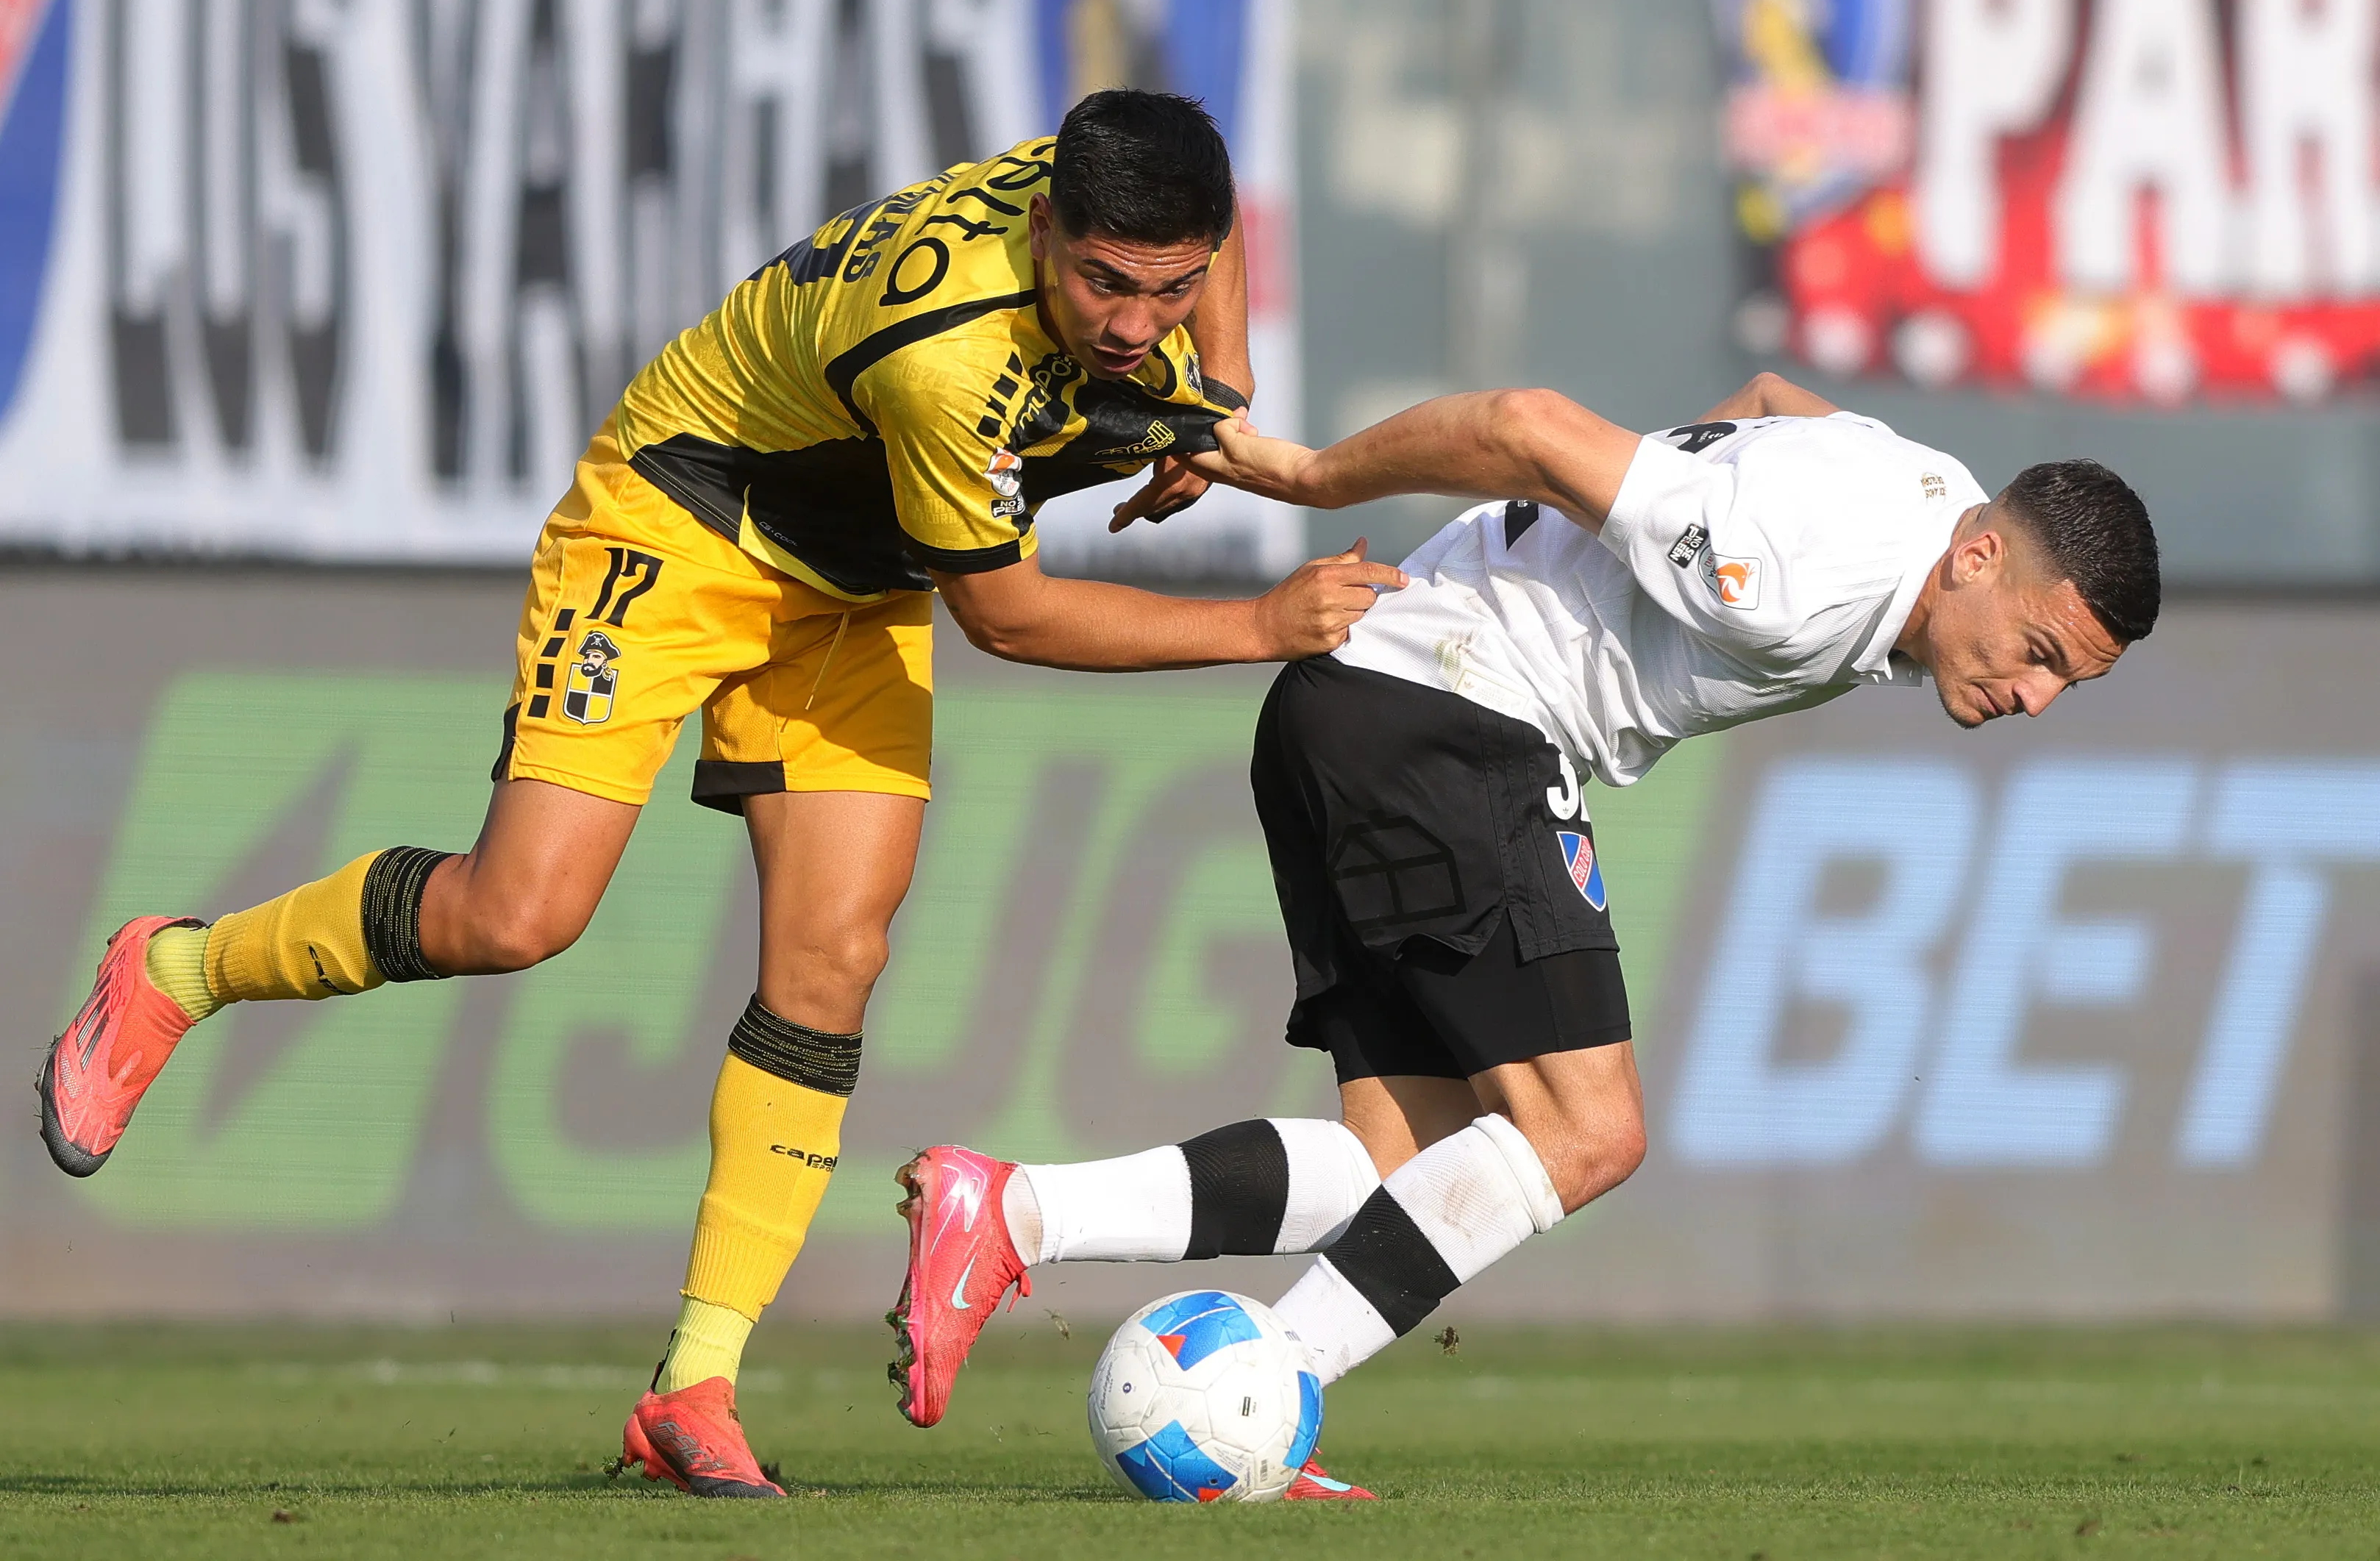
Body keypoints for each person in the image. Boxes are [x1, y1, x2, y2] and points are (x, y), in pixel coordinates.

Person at [38, 90, 1403, 1499]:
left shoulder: (1147, 224)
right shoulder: (947, 357)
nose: (1133, 323)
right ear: (1044, 229)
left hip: (855, 581)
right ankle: (177, 970)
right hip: (688, 518)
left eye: (1165, 287)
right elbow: (1012, 619)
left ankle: (694, 1386)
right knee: (518, 916)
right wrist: (1260, 622)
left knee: (836, 958)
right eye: (1105, 284)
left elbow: (1210, 254)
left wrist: (1213, 395)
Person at [887, 371, 2161, 1498]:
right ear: (1982, 555)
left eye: (2066, 683)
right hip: (1453, 713)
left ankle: (1013, 1212)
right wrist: (1309, 476)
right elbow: (1525, 424)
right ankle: (1265, 1391)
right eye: (2040, 653)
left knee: (1398, 1171)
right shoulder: (1789, 576)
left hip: (1351, 710)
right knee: (1590, 1131)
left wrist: (1650, 518)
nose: (2033, 698)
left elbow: (1771, 400)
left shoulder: (1929, 491)